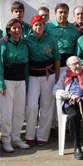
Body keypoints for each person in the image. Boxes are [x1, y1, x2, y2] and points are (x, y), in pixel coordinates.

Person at [24, 16, 60, 147]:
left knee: (46, 107)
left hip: (48, 76)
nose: (38, 27)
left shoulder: (51, 39)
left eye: (40, 25)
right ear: (32, 27)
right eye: (36, 25)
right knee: (32, 106)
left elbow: (56, 58)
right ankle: (30, 135)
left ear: (44, 26)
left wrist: (56, 77)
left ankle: (42, 136)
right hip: (33, 76)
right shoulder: (26, 40)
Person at [0, 19, 30, 152]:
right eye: (14, 28)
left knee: (19, 112)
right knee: (6, 112)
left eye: (19, 28)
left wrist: (27, 85)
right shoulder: (3, 44)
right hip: (7, 81)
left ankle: (16, 138)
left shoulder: (24, 45)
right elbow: (0, 64)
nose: (17, 30)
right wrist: (1, 83)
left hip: (21, 81)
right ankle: (6, 140)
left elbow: (27, 67)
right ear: (9, 30)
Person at [45, 3, 80, 73]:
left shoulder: (73, 29)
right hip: (52, 58)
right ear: (55, 13)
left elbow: (78, 46)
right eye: (60, 12)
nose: (63, 14)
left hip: (69, 60)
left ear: (68, 13)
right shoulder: (47, 26)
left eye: (65, 12)